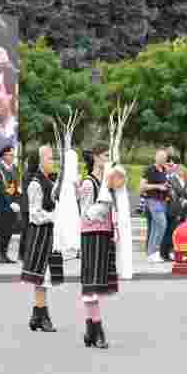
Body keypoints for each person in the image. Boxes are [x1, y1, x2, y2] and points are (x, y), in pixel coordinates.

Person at [78, 144, 120, 348]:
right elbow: (85, 215)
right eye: (105, 156)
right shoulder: (88, 183)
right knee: (91, 284)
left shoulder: (107, 181)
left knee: (97, 284)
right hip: (91, 235)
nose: (108, 160)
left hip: (104, 234)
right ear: (95, 158)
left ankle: (90, 330)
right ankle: (97, 327)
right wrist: (103, 207)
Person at [21, 145, 63, 332]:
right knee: (42, 277)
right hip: (39, 234)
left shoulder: (49, 180)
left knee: (45, 277)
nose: (52, 161)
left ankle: (37, 316)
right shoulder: (35, 183)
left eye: (52, 158)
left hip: (49, 234)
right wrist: (54, 216)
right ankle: (42, 316)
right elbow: (34, 214)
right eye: (49, 158)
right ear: (40, 162)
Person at [139, 150, 170, 263]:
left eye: (164, 157)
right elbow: (142, 187)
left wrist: (166, 187)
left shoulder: (164, 170)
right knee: (162, 224)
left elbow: (163, 184)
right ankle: (154, 251)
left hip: (162, 201)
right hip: (152, 200)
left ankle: (151, 253)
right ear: (156, 157)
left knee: (156, 227)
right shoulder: (149, 169)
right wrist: (158, 186)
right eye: (160, 157)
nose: (162, 159)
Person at [0, 145, 20, 263]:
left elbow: (17, 186)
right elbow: (0, 189)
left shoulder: (14, 168)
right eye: (10, 155)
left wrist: (17, 201)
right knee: (3, 230)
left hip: (13, 205)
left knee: (9, 230)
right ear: (4, 156)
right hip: (3, 205)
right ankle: (0, 255)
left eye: (12, 154)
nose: (12, 156)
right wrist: (10, 203)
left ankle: (5, 254)